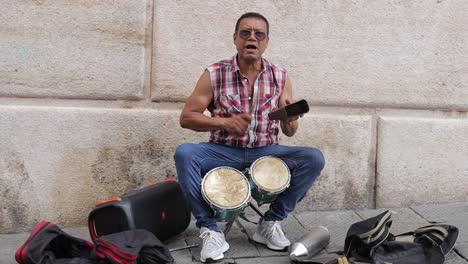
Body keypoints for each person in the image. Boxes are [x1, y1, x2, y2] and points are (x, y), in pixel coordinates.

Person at [174, 12, 325, 263]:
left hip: (266, 150)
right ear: (235, 39)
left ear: (266, 42)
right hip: (222, 150)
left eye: (259, 34)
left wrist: (289, 120)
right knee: (185, 153)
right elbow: (187, 117)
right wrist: (223, 122)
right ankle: (210, 230)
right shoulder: (214, 73)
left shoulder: (280, 76)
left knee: (314, 158)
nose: (252, 38)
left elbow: (290, 131)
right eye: (245, 33)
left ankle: (270, 223)